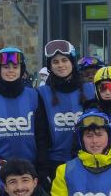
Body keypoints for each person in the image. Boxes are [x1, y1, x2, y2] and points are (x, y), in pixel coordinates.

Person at [0, 46, 48, 166]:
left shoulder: (33, 96)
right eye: (6, 67)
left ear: (21, 70)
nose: (11, 71)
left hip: (30, 168)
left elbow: (42, 134)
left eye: (15, 67)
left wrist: (42, 165)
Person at [38, 39, 88, 179]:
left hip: (85, 160)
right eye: (55, 62)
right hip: (55, 163)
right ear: (50, 66)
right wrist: (43, 167)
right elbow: (40, 134)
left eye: (64, 60)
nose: (61, 65)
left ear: (72, 61)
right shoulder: (42, 93)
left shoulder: (89, 90)